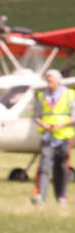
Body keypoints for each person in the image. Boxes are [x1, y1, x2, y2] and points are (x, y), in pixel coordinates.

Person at [31, 69, 74, 206]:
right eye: (47, 81)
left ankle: (61, 196)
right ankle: (40, 197)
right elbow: (36, 116)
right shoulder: (41, 96)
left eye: (51, 82)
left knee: (61, 168)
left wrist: (61, 124)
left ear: (58, 81)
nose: (49, 84)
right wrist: (43, 124)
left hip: (63, 136)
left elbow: (73, 116)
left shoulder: (69, 95)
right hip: (47, 137)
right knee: (44, 166)